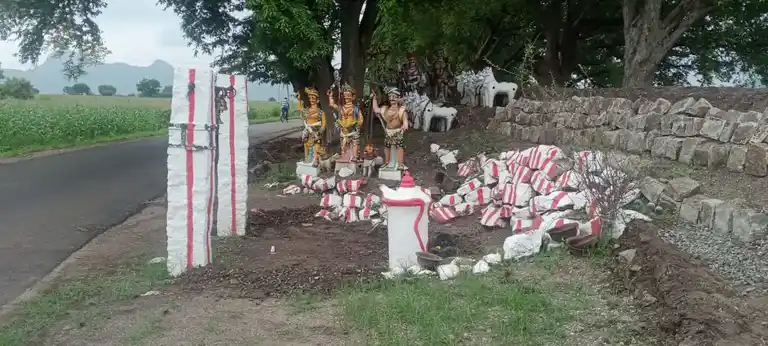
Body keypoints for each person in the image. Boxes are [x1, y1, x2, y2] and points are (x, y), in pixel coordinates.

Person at [371, 87, 408, 170]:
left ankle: (400, 163)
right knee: (387, 147)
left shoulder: (401, 110)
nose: (392, 99)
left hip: (398, 131)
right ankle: (387, 162)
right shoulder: (385, 109)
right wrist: (374, 98)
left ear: (398, 98)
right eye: (390, 97)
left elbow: (405, 121)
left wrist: (404, 126)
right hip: (388, 131)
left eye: (394, 97)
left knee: (399, 146)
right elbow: (376, 109)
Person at [328, 83, 364, 162]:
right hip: (344, 131)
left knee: (354, 143)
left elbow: (361, 119)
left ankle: (354, 157)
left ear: (353, 97)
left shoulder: (355, 109)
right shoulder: (341, 108)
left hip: (352, 131)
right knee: (343, 145)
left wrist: (356, 125)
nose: (346, 97)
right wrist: (330, 95)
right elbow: (331, 104)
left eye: (348, 95)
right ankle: (344, 157)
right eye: (345, 95)